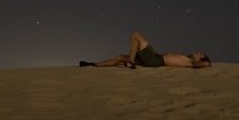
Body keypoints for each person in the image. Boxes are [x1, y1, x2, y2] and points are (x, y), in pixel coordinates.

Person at [79, 31, 211, 69]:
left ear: (200, 58)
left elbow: (204, 64)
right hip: (152, 59)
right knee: (119, 57)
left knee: (135, 34)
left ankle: (130, 61)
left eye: (199, 53)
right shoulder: (187, 59)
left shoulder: (190, 62)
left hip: (155, 59)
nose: (196, 52)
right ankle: (92, 64)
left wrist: (207, 63)